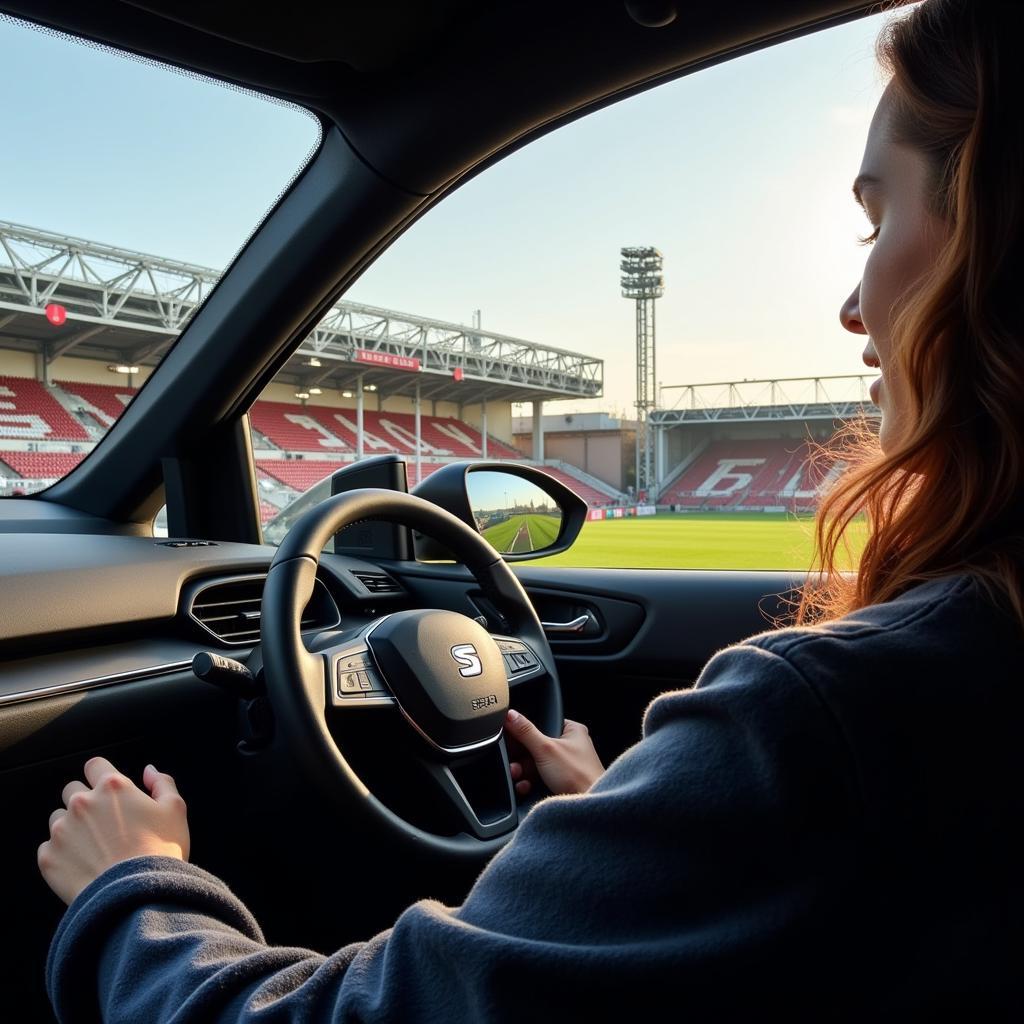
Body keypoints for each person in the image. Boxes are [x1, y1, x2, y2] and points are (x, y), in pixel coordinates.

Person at [38, 0, 1024, 1018]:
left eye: (878, 215)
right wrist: (626, 825)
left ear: (994, 246)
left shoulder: (826, 719)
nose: (852, 305)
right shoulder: (948, 679)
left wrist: (134, 887)